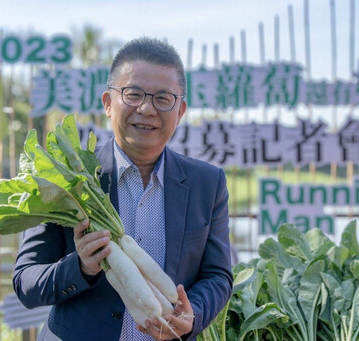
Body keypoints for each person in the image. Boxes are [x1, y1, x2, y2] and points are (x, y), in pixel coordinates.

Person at [13, 37, 233, 341]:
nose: (146, 108)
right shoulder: (65, 182)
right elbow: (26, 282)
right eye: (133, 94)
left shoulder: (207, 183)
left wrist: (192, 313)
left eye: (163, 98)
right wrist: (81, 266)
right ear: (108, 103)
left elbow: (218, 276)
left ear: (180, 111)